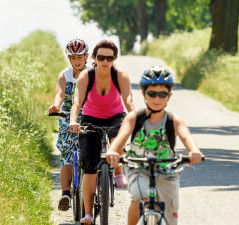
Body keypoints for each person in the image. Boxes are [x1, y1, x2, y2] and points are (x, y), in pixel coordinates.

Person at [106, 65, 204, 225]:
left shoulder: (174, 120)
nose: (157, 99)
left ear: (169, 96)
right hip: (138, 168)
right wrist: (112, 151)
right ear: (144, 94)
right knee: (140, 197)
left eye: (162, 94)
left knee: (170, 217)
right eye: (152, 94)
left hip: (167, 170)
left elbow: (186, 136)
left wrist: (194, 151)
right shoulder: (133, 118)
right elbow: (121, 137)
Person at [69, 40, 135, 223]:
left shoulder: (120, 74)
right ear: (94, 58)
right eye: (101, 57)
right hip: (90, 118)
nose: (105, 61)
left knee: (118, 138)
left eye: (109, 58)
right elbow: (77, 102)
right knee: (89, 166)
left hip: (115, 115)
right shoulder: (86, 76)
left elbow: (128, 100)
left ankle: (118, 172)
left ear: (114, 59)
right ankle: (88, 213)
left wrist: (136, 117)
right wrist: (74, 120)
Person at [48, 38, 91, 211]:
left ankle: (97, 183)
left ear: (86, 56)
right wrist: (55, 106)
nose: (77, 60)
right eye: (73, 57)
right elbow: (59, 93)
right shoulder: (64, 75)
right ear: (69, 59)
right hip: (67, 115)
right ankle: (65, 193)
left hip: (89, 114)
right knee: (66, 154)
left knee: (93, 150)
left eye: (80, 57)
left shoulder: (92, 73)